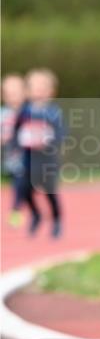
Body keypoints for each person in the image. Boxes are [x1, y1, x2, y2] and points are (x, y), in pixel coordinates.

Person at [14, 68, 64, 238]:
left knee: (50, 192)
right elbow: (16, 131)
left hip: (47, 160)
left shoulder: (53, 112)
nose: (39, 90)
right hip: (28, 159)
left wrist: (48, 142)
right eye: (35, 86)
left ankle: (57, 220)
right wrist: (16, 145)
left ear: (51, 91)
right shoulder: (24, 111)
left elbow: (60, 134)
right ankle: (36, 214)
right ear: (28, 90)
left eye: (43, 87)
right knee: (24, 190)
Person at [1, 74, 26, 227]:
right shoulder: (3, 113)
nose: (12, 97)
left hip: (26, 156)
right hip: (8, 155)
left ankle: (16, 210)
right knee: (15, 183)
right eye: (8, 94)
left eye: (15, 93)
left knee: (20, 182)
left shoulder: (29, 111)